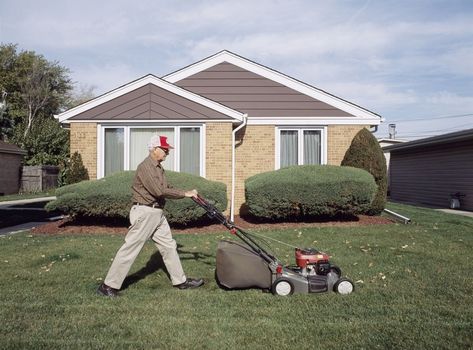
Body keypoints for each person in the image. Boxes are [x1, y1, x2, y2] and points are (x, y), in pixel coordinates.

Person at [97, 134, 204, 297]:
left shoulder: (158, 167)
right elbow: (159, 191)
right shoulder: (146, 167)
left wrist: (188, 192)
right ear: (154, 149)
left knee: (169, 246)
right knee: (131, 248)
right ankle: (108, 286)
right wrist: (185, 194)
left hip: (156, 213)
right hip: (145, 212)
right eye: (165, 149)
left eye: (167, 150)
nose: (167, 152)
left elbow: (166, 186)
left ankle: (180, 281)